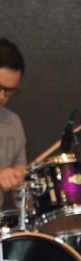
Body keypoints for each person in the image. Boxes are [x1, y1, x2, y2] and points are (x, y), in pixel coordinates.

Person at [0, 39, 27, 210]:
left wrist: (24, 188)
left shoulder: (13, 123)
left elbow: (20, 200)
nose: (2, 96)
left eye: (9, 90)